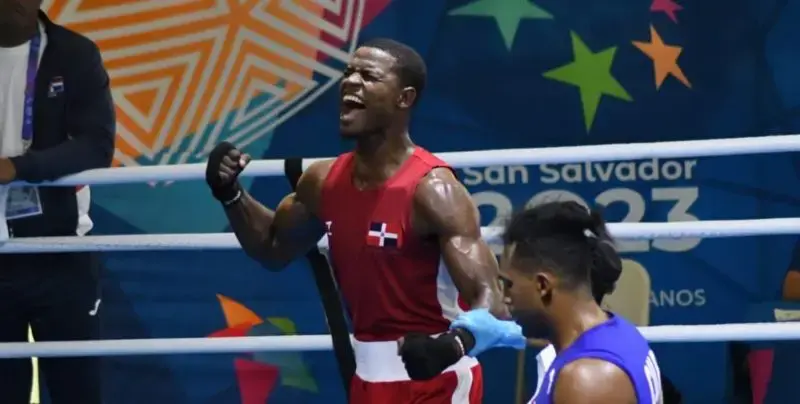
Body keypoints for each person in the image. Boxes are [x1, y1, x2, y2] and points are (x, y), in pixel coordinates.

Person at [205, 37, 505, 403]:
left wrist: (454, 345)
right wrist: (230, 194)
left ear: (404, 98)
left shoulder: (434, 191)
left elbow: (492, 300)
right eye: (348, 72)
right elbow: (272, 247)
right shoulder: (322, 182)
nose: (350, 82)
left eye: (368, 76)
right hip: (366, 382)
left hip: (436, 382)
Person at [401, 201, 663, 403]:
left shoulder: (586, 379)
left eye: (509, 285)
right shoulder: (613, 332)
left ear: (542, 286)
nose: (504, 298)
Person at [0, 1, 115, 403]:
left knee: (77, 389)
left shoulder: (75, 54)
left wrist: (20, 167)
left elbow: (95, 146)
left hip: (60, 251)